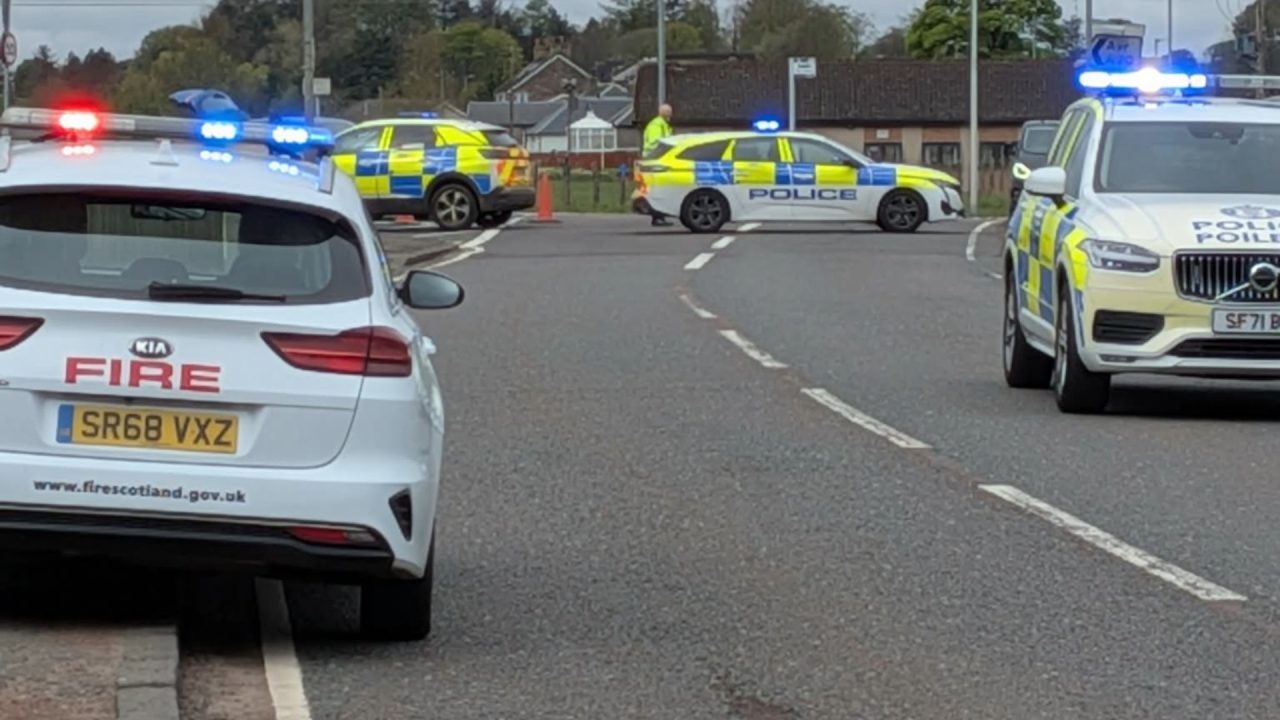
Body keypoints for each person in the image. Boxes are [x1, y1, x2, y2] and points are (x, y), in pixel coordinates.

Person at [642, 104, 674, 226]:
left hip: (656, 160)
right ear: (663, 113)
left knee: (661, 189)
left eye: (670, 112)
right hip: (653, 161)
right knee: (657, 189)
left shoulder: (663, 125)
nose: (670, 114)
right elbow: (657, 143)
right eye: (668, 112)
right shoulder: (657, 125)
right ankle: (657, 217)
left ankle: (659, 216)